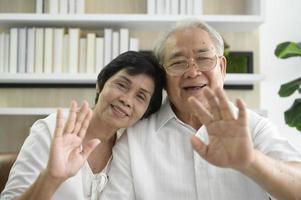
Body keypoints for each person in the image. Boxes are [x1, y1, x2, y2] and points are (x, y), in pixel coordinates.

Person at [101, 19, 301, 200]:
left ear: (222, 68)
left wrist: (251, 161)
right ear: (163, 78)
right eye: (178, 62)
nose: (192, 71)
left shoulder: (254, 128)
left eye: (204, 59)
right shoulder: (135, 139)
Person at [0, 51, 165, 200]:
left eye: (141, 97)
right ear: (100, 84)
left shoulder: (129, 148)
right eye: (121, 85)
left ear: (146, 111)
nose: (126, 100)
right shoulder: (51, 131)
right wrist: (51, 178)